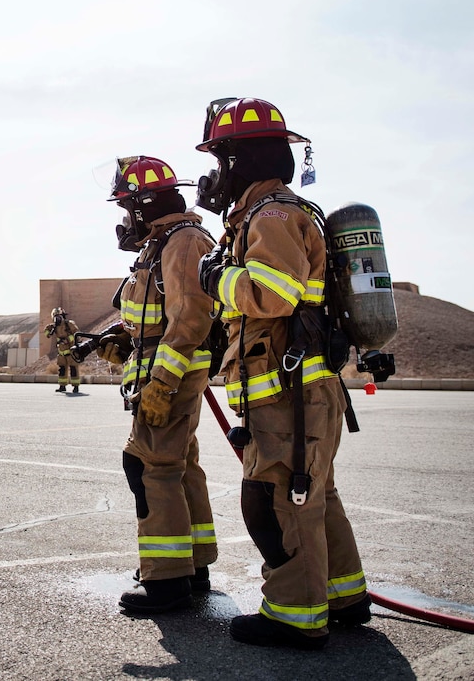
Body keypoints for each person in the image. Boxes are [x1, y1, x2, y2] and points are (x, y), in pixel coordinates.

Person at [195, 97, 370, 649]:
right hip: (302, 391)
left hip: (288, 397)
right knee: (315, 497)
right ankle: (344, 596)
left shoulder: (270, 216)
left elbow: (270, 294)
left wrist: (216, 280)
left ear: (238, 161)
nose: (213, 176)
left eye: (220, 161)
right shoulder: (271, 212)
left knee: (279, 503)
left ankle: (295, 617)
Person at [95, 155, 220, 614]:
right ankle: (193, 566)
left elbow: (189, 319)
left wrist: (162, 383)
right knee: (179, 465)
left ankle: (166, 582)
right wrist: (124, 343)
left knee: (151, 467)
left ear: (146, 204)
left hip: (175, 371)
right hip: (163, 367)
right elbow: (156, 316)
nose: (126, 219)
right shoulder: (163, 242)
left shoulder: (184, 241)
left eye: (129, 207)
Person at [45, 307, 81, 393]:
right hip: (61, 352)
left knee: (73, 369)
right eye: (55, 317)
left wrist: (68, 339)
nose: (57, 319)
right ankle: (62, 386)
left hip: (71, 350)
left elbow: (77, 335)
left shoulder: (70, 324)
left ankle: (75, 387)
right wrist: (49, 332)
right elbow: (46, 332)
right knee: (62, 370)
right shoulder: (54, 327)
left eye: (59, 317)